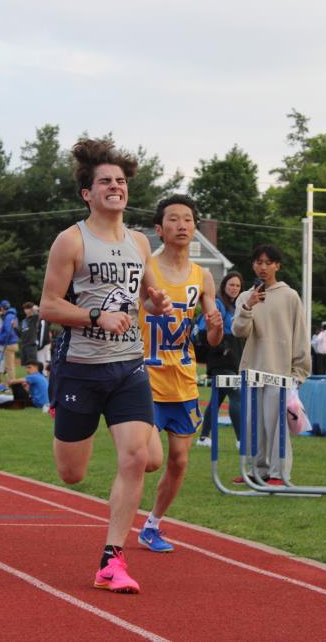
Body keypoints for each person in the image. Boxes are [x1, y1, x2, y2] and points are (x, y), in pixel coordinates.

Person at [38, 138, 171, 594]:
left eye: (120, 181)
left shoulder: (139, 242)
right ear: (87, 193)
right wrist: (96, 316)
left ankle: (112, 560)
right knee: (71, 473)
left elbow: (147, 299)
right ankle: (69, 416)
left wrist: (156, 303)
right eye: (105, 182)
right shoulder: (71, 240)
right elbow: (49, 306)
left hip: (128, 366)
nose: (115, 186)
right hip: (80, 367)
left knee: (138, 458)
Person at [137, 195, 223, 553]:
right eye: (173, 219)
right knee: (147, 459)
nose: (182, 225)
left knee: (180, 460)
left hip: (183, 380)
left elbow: (213, 339)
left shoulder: (203, 276)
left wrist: (215, 326)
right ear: (159, 229)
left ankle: (152, 525)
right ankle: (120, 517)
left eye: (188, 219)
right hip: (146, 378)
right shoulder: (146, 269)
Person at [231, 244, 311, 485]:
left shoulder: (290, 296)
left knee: (276, 427)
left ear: (277, 266)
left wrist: (299, 371)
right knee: (252, 426)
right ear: (253, 265)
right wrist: (248, 306)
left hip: (280, 372)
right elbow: (238, 331)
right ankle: (257, 471)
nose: (263, 267)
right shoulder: (245, 297)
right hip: (251, 370)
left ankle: (278, 474)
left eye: (268, 263)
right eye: (259, 262)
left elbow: (300, 335)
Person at [197, 271, 245, 447]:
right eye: (231, 284)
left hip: (232, 360)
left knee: (216, 399)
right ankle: (241, 440)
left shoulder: (235, 306)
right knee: (237, 396)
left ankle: (203, 437)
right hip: (220, 360)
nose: (234, 288)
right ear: (224, 286)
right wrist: (221, 348)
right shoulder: (218, 303)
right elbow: (204, 327)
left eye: (238, 285)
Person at [0, 300, 20, 387]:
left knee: (9, 367)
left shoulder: (8, 317)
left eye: (1, 308)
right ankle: (7, 383)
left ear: (3, 308)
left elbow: (9, 331)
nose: (0, 309)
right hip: (11, 343)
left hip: (9, 344)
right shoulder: (12, 316)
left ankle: (12, 385)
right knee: (7, 366)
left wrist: (1, 340)